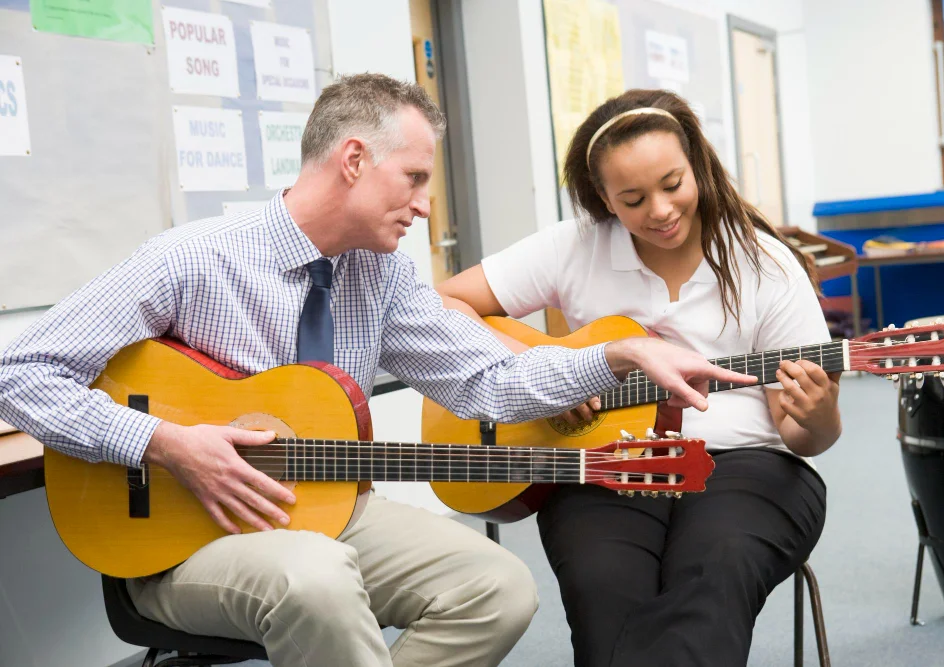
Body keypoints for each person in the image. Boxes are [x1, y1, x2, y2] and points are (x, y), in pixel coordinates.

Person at [0, 75, 755, 667]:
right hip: (187, 542)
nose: (427, 207)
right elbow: (22, 370)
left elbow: (487, 380)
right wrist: (165, 442)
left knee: (496, 590)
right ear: (354, 160)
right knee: (317, 579)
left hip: (328, 509)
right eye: (416, 178)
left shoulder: (383, 276)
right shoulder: (192, 259)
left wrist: (614, 355)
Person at [436, 88, 841, 667]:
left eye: (673, 184)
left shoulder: (764, 264)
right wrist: (540, 371)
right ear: (603, 198)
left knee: (713, 571)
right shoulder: (574, 246)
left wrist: (819, 414)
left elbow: (807, 440)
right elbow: (443, 304)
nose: (659, 210)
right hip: (606, 460)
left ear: (697, 166)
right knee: (603, 587)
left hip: (748, 463)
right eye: (632, 198)